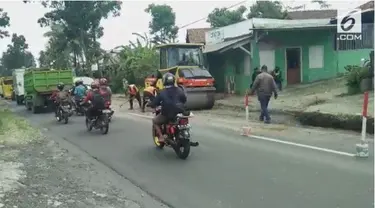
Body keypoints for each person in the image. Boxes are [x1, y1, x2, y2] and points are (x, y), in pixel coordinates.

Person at [150, 73, 187, 142]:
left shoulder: (162, 92)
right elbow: (184, 100)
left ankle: (161, 137)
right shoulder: (179, 89)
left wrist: (151, 104)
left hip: (167, 113)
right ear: (173, 80)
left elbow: (155, 103)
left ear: (164, 81)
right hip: (180, 112)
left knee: (154, 121)